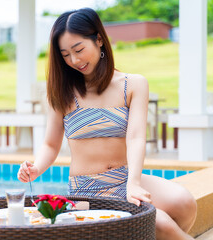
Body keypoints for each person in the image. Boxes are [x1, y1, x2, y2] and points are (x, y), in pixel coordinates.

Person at [17, 7, 197, 240]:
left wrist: (132, 183)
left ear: (99, 40)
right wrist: (36, 168)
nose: (74, 60)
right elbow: (51, 145)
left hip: (126, 177)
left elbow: (135, 137)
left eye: (79, 49)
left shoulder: (133, 84)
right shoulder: (62, 92)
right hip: (87, 189)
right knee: (159, 222)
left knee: (185, 203)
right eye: (65, 54)